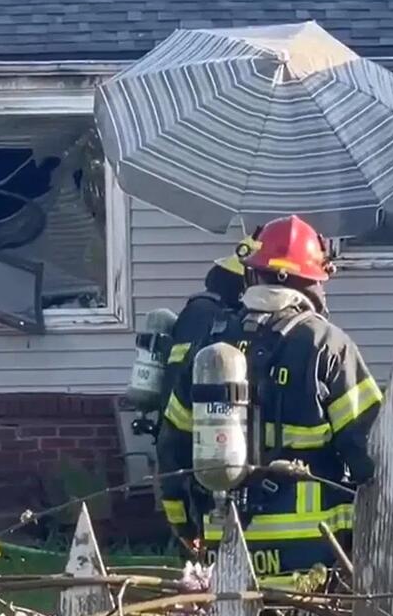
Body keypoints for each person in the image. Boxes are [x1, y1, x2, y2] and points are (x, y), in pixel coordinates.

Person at [158, 215, 383, 580]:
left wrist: (184, 524)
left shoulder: (212, 347)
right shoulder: (326, 344)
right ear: (312, 280)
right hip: (313, 549)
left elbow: (172, 446)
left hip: (229, 539)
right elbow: (371, 446)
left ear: (253, 275)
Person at [155, 236, 258, 550]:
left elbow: (170, 441)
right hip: (222, 461)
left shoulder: (192, 315)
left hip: (184, 455)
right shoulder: (228, 329)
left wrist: (180, 519)